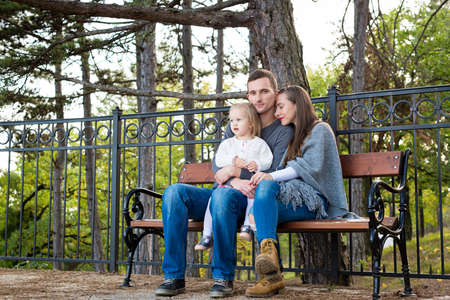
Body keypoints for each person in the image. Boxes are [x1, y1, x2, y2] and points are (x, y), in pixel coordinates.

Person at [155, 69, 293, 298]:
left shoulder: (283, 131)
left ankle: (222, 278)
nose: (258, 98)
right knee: (173, 193)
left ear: (275, 93)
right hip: (221, 195)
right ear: (248, 96)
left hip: (251, 200)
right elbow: (219, 169)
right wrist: (233, 178)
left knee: (221, 196)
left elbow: (273, 172)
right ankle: (174, 276)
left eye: (264, 92)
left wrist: (236, 173)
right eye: (252, 93)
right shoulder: (237, 123)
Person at [244, 85, 349, 297]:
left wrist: (271, 176)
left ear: (297, 104)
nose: (276, 112)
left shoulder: (320, 129)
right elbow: (285, 169)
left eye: (281, 106)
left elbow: (309, 167)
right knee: (258, 212)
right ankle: (272, 276)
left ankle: (271, 277)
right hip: (292, 198)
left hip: (314, 201)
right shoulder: (293, 135)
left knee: (263, 199)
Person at [194, 102, 273, 251]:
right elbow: (219, 160)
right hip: (229, 187)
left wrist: (257, 164)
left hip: (249, 186)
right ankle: (206, 235)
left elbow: (268, 160)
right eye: (231, 120)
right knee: (214, 199)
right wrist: (233, 161)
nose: (233, 124)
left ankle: (247, 227)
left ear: (250, 123)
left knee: (253, 196)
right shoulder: (228, 144)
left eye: (239, 120)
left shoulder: (259, 144)